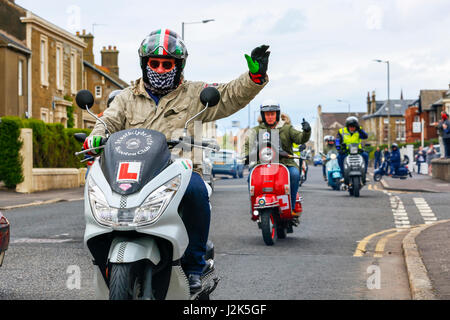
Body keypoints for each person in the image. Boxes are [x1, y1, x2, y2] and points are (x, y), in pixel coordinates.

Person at [83, 29, 270, 292]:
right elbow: (109, 121)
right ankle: (107, 258)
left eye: (167, 64)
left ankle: (194, 267)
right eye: (154, 63)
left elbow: (228, 95)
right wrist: (96, 137)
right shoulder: (126, 97)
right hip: (135, 171)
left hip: (180, 169)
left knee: (196, 192)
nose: (160, 69)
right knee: (99, 190)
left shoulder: (194, 94)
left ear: (178, 65)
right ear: (144, 64)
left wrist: (254, 77)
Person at [244, 100, 311, 217]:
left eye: (272, 114)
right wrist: (247, 156)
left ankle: (292, 206)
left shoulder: (286, 128)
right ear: (263, 115)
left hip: (285, 164)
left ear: (277, 114)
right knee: (250, 177)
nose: (270, 117)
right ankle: (254, 206)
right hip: (262, 164)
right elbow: (248, 146)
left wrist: (306, 131)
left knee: (295, 174)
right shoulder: (256, 130)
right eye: (267, 114)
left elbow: (300, 138)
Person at [335, 116, 369, 181]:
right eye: (350, 126)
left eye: (354, 126)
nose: (352, 128)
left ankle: (364, 174)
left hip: (358, 151)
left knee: (365, 155)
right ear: (348, 126)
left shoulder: (359, 130)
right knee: (339, 157)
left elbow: (365, 136)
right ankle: (343, 175)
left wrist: (359, 129)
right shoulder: (341, 131)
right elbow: (337, 141)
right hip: (346, 151)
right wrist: (339, 149)